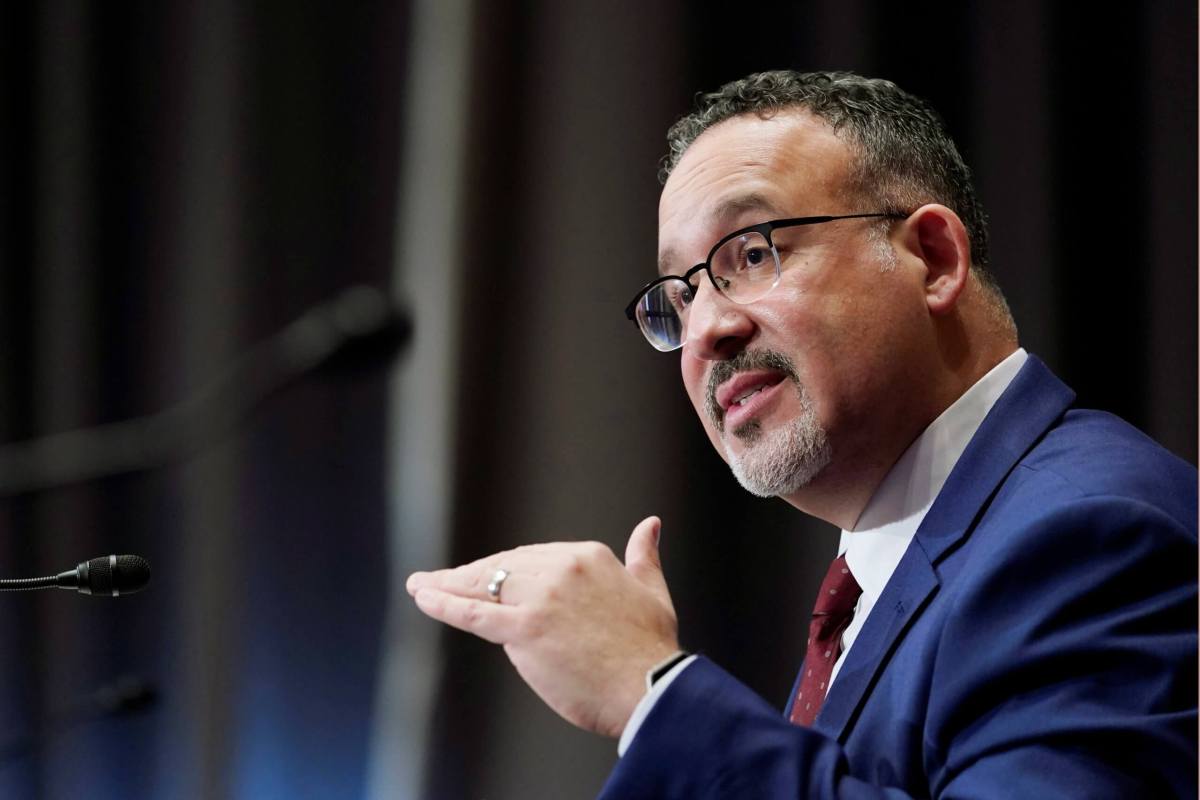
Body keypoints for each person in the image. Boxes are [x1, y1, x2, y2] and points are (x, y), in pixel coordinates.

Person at [406, 71, 1197, 797]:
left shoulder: (1090, 532)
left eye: (751, 253)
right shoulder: (886, 571)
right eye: (678, 300)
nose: (708, 327)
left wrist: (652, 694)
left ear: (932, 256)